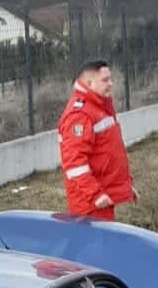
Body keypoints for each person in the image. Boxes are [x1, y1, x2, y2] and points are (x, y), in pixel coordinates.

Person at [58, 60, 138, 221]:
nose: (111, 83)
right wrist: (95, 195)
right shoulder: (80, 115)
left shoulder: (99, 107)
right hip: (89, 204)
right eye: (105, 80)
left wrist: (125, 187)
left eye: (110, 79)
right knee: (96, 245)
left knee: (106, 244)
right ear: (89, 83)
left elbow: (106, 153)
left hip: (101, 198)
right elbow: (75, 164)